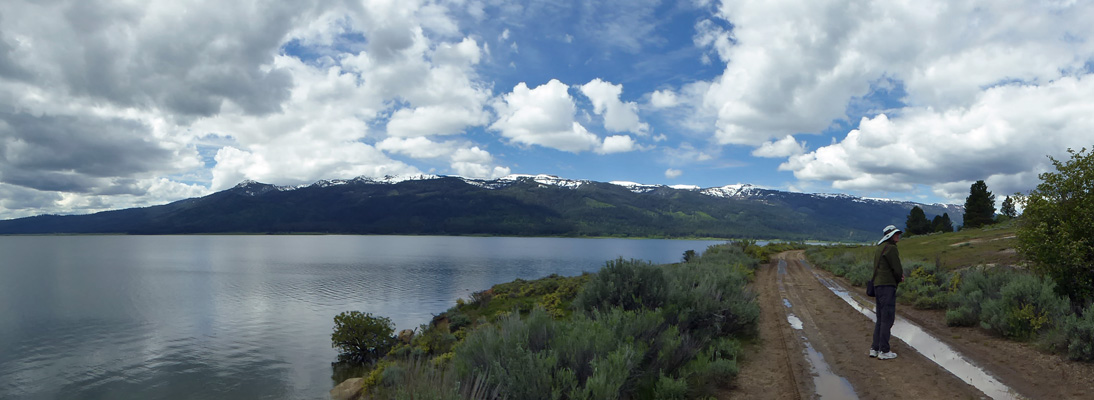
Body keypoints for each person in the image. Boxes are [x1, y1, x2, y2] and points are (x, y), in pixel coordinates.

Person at [870, 224, 904, 360]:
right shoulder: (891, 249)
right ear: (890, 235)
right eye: (896, 234)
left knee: (880, 319)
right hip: (887, 287)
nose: (898, 236)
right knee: (887, 319)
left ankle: (874, 348)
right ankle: (884, 350)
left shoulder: (880, 248)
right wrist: (899, 277)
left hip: (878, 286)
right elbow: (897, 268)